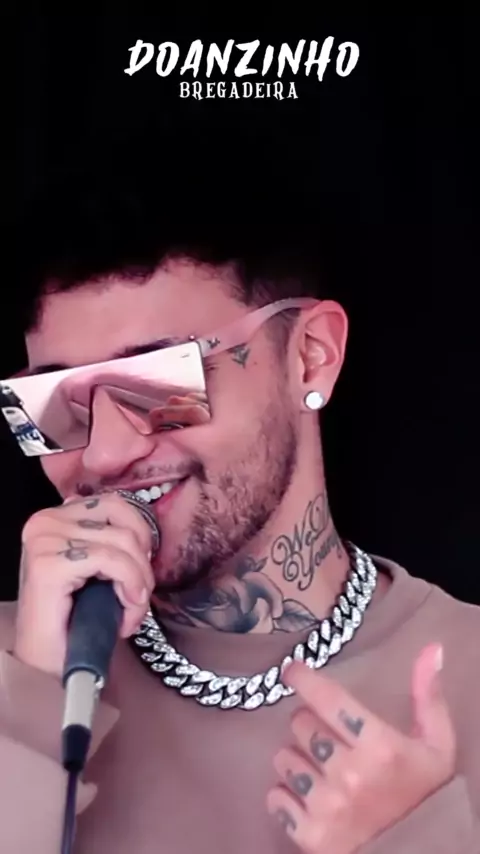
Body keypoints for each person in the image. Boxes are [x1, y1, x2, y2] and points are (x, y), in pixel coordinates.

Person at [1, 138, 479, 854]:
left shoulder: (466, 674)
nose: (103, 453)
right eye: (56, 404)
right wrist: (32, 709)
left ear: (311, 356)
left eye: (158, 382)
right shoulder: (14, 666)